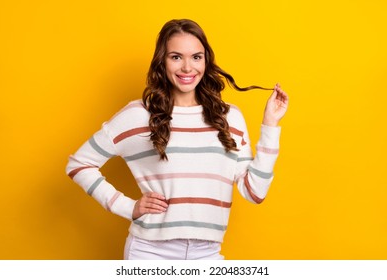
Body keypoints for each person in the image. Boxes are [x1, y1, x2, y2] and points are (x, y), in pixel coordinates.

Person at [66, 19, 289, 260]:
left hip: (208, 253)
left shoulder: (229, 117)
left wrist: (270, 125)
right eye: (175, 57)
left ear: (206, 61)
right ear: (162, 61)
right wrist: (128, 207)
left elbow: (255, 191)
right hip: (149, 253)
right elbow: (78, 164)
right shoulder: (138, 115)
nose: (187, 67)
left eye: (196, 57)